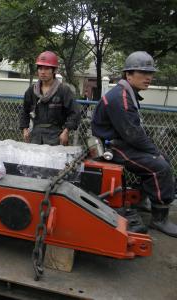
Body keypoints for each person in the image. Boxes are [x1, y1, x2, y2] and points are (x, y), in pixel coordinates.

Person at [91, 51, 177, 237]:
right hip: (112, 147)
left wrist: (156, 152)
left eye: (150, 73)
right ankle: (159, 218)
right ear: (128, 75)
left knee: (162, 159)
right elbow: (133, 135)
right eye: (143, 73)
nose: (149, 77)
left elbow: (133, 133)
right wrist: (156, 153)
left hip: (120, 142)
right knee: (160, 167)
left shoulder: (126, 93)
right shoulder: (120, 98)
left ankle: (142, 200)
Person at [19, 51, 80, 146]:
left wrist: (66, 131)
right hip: (36, 136)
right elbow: (24, 111)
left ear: (54, 70)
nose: (43, 72)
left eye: (47, 68)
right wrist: (25, 129)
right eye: (40, 68)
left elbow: (74, 113)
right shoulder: (32, 90)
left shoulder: (63, 90)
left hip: (57, 136)